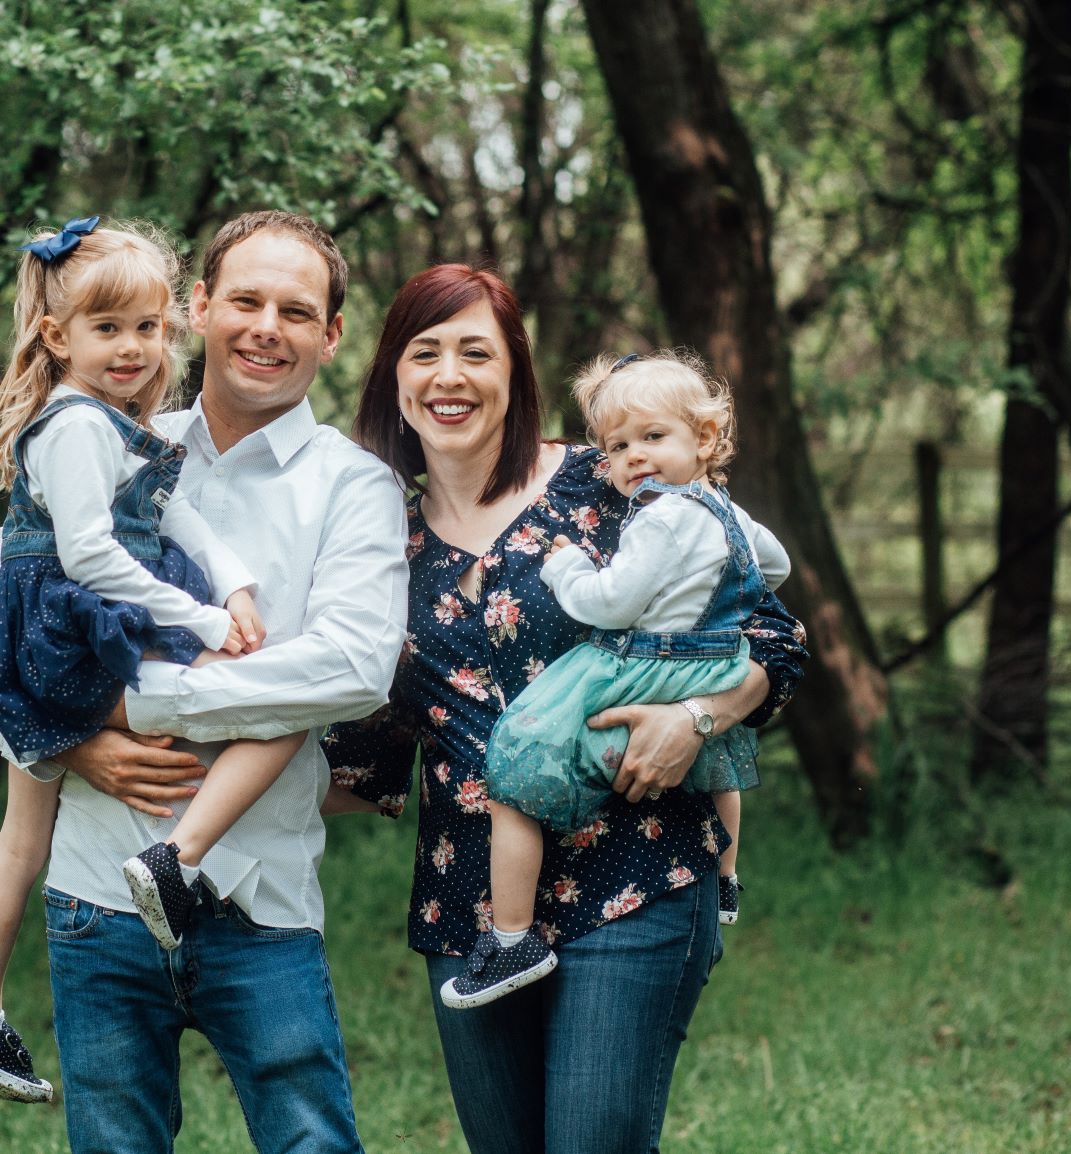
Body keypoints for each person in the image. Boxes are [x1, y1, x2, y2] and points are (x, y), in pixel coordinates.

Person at [0, 211, 408, 1153]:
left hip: (260, 895)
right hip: (92, 898)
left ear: (331, 334)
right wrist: (75, 740)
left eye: (295, 309)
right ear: (197, 309)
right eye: (244, 300)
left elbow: (352, 668)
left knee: (310, 1142)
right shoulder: (104, 437)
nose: (266, 325)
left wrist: (124, 702)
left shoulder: (354, 487)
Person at [324, 264, 807, 1154]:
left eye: (476, 351)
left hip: (637, 869)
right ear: (392, 373)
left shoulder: (614, 477)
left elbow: (772, 641)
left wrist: (693, 719)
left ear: (515, 372)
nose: (449, 375)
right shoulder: (372, 539)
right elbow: (366, 754)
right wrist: (166, 781)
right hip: (468, 908)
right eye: (424, 352)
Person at [439, 349, 791, 1009]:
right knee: (715, 757)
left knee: (516, 757)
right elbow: (773, 567)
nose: (634, 457)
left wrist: (566, 569)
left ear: (705, 437)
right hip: (711, 656)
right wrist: (713, 609)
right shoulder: (726, 511)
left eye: (652, 437)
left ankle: (512, 937)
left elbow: (611, 605)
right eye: (617, 445)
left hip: (640, 657)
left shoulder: (658, 516)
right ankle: (726, 876)